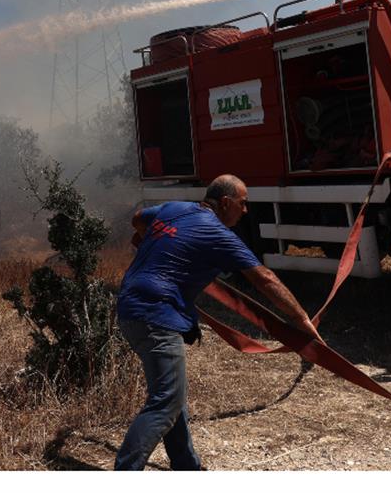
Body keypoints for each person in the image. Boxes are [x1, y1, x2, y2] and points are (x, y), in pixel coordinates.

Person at [114, 174, 323, 471]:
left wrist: (166, 241)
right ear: (226, 203)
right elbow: (265, 279)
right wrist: (301, 319)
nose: (246, 210)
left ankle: (187, 466)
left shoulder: (174, 208)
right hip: (155, 313)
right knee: (166, 403)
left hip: (130, 306)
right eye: (243, 203)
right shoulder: (218, 234)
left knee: (172, 394)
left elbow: (138, 218)